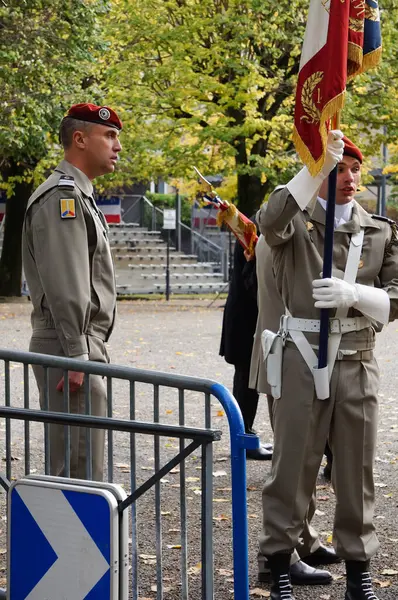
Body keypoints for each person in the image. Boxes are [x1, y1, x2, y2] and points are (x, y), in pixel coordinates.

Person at [256, 130, 398, 600]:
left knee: (356, 470)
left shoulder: (379, 231)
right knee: (293, 465)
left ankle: (358, 575)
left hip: (357, 361)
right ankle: (278, 562)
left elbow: (397, 296)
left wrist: (355, 293)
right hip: (302, 357)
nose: (350, 177)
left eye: (355, 168)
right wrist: (312, 166)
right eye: (339, 169)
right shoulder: (296, 225)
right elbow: (268, 220)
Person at [22, 102, 122, 481]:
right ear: (79, 139)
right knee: (76, 470)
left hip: (77, 343)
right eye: (109, 136)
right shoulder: (62, 198)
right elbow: (67, 284)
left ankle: (80, 541)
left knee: (84, 463)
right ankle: (72, 543)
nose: (117, 145)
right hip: (69, 345)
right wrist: (78, 354)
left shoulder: (79, 196)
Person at [250, 235, 339, 587]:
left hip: (285, 355)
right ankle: (277, 558)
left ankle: (302, 538)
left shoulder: (286, 222)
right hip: (289, 357)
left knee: (305, 458)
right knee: (293, 463)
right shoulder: (287, 226)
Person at [220, 231, 273, 460]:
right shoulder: (255, 231)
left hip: (245, 317)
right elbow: (253, 281)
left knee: (246, 382)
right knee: (246, 383)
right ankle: (245, 441)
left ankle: (246, 438)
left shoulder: (254, 228)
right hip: (247, 320)